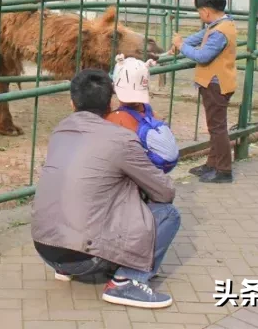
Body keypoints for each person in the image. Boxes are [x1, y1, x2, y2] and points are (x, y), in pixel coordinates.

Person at [32, 69, 180, 309]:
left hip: (46, 248)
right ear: (110, 103)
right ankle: (127, 282)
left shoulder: (59, 131)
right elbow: (165, 192)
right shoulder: (121, 139)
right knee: (168, 214)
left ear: (72, 102)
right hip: (85, 257)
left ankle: (67, 269)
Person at [172, 0, 238, 184]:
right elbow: (200, 36)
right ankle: (212, 164)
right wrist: (179, 43)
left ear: (206, 11)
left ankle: (224, 170)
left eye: (199, 12)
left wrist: (182, 46)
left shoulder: (219, 32)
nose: (200, 16)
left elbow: (202, 56)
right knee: (214, 127)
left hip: (216, 85)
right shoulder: (220, 24)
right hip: (214, 83)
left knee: (218, 128)